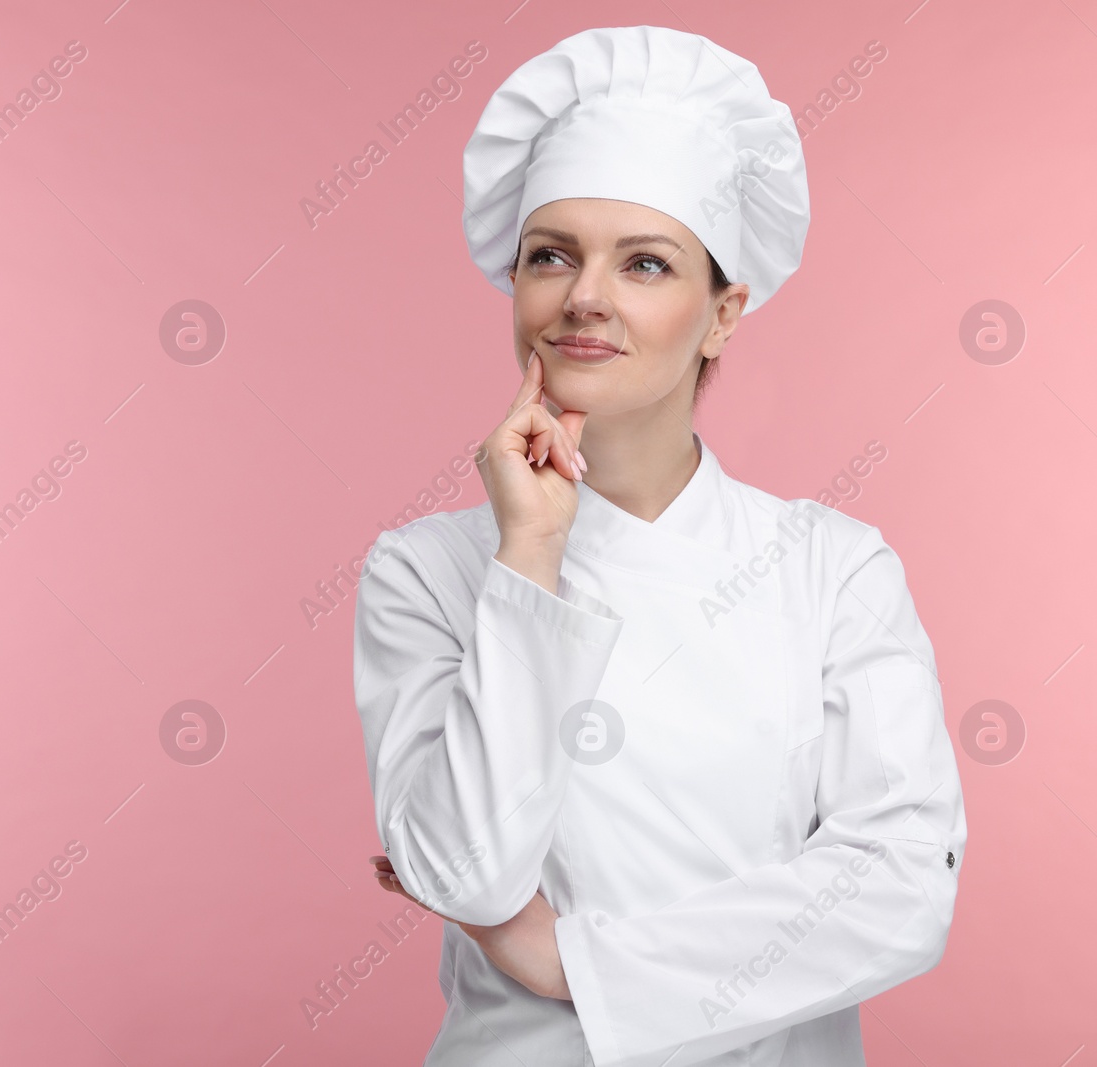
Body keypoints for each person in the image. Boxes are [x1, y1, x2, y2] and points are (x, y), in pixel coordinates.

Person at [350, 24, 967, 1067]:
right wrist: (530, 556)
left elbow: (902, 886)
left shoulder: (831, 566)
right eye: (551, 255)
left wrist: (565, 961)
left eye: (644, 262)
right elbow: (463, 872)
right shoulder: (427, 569)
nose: (584, 295)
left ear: (722, 313)